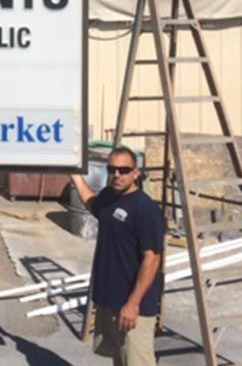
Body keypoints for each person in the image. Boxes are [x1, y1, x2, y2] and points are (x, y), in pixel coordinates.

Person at [70, 146, 165, 366]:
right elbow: (92, 203)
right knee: (118, 359)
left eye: (123, 170)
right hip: (109, 301)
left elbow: (152, 260)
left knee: (137, 361)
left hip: (133, 306)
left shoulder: (145, 210)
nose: (117, 175)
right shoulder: (109, 197)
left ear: (136, 173)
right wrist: (74, 175)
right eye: (112, 169)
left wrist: (133, 303)